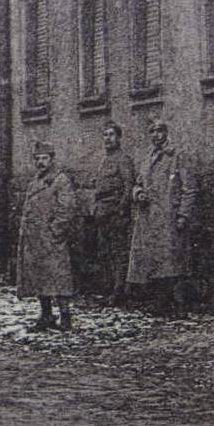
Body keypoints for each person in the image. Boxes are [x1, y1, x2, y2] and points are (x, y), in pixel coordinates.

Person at [128, 119, 198, 318]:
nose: (156, 135)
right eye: (152, 131)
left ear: (166, 133)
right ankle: (160, 304)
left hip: (169, 217)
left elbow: (189, 189)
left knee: (174, 264)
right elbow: (137, 183)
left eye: (159, 131)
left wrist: (183, 215)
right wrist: (138, 193)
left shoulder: (177, 156)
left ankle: (180, 306)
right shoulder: (147, 158)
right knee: (155, 263)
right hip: (150, 218)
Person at [16, 141, 78, 331]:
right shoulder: (36, 181)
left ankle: (65, 317)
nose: (41, 162)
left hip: (51, 238)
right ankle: (46, 315)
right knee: (39, 277)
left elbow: (67, 208)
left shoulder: (60, 180)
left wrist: (56, 231)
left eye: (44, 158)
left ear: (52, 159)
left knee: (59, 277)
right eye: (38, 159)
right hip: (35, 239)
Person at [92, 120, 136, 307]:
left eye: (111, 135)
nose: (107, 139)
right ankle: (109, 289)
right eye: (105, 135)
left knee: (118, 253)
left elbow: (128, 186)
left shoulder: (123, 160)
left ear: (118, 138)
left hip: (116, 212)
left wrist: (122, 209)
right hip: (102, 212)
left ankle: (119, 292)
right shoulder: (104, 161)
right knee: (105, 252)